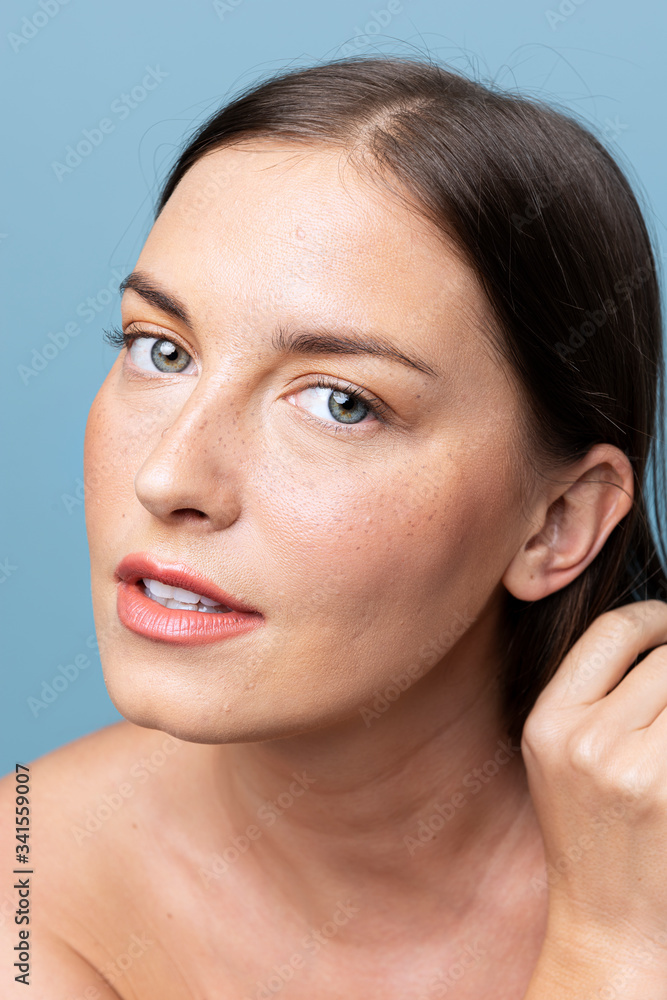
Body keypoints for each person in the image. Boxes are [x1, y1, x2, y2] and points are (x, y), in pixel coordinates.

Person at [3, 54, 667, 999]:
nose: (169, 476)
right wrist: (616, 954)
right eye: (161, 350)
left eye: (340, 404)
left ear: (554, 524)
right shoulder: (24, 901)